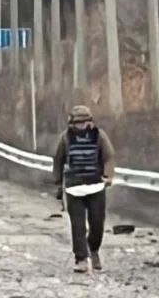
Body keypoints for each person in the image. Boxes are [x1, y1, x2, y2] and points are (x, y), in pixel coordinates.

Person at [52, 105, 115, 273]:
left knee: (97, 224)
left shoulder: (99, 136)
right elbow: (58, 160)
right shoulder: (65, 138)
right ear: (71, 124)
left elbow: (109, 157)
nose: (81, 126)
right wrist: (58, 183)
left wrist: (108, 176)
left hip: (95, 185)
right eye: (78, 123)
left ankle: (93, 250)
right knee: (78, 225)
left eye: (84, 122)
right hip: (74, 188)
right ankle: (80, 258)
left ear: (90, 122)